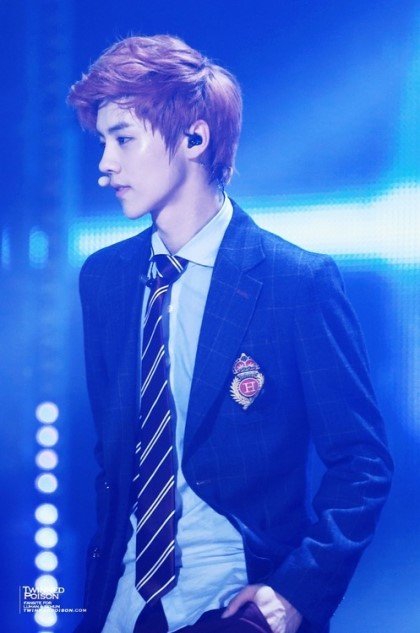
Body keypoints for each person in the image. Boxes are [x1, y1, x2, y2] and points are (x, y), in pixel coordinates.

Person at [67, 35, 393, 633]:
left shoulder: (296, 281)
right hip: (120, 600)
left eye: (123, 139)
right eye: (102, 142)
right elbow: (112, 459)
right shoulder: (104, 279)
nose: (105, 164)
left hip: (237, 600)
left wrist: (296, 592)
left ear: (194, 139)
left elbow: (362, 463)